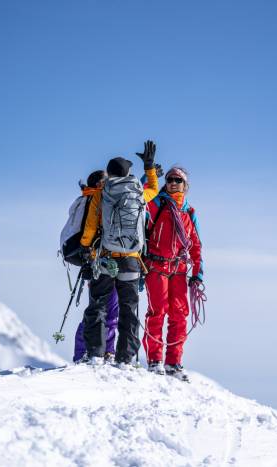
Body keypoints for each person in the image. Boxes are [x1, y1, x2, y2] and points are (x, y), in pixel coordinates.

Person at [79, 141, 159, 367]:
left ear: (110, 173)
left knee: (98, 305)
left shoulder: (102, 194)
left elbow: (91, 227)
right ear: (128, 173)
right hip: (132, 261)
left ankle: (95, 354)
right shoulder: (139, 194)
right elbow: (154, 186)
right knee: (128, 309)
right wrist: (150, 166)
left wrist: (86, 249)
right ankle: (125, 359)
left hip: (106, 258)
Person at [143, 166, 203, 381]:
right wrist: (147, 175)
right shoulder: (155, 205)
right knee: (157, 312)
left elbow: (196, 245)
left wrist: (198, 273)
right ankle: (155, 360)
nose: (173, 183)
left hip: (178, 269)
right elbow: (138, 200)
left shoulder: (189, 211)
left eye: (178, 180)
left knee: (179, 315)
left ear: (185, 186)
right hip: (156, 266)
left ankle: (174, 363)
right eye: (170, 179)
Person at [72, 170, 119, 364]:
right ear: (99, 184)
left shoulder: (92, 198)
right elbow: (90, 230)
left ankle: (103, 350)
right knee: (101, 310)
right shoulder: (94, 200)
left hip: (101, 260)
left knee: (103, 309)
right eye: (106, 181)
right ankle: (91, 351)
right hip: (99, 261)